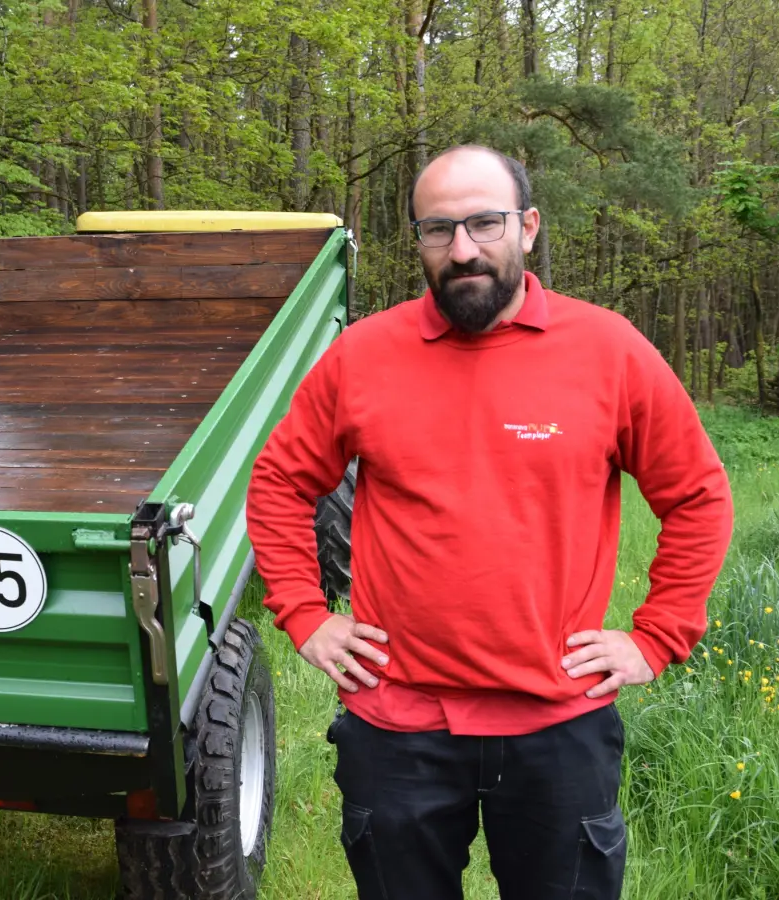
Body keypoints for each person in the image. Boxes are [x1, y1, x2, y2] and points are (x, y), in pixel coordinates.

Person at [245, 145, 734, 900]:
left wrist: (657, 637)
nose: (463, 249)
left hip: (558, 727)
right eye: (438, 229)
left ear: (528, 227)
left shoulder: (608, 351)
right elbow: (280, 480)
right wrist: (306, 615)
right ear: (418, 240)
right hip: (397, 726)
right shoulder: (364, 355)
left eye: (484, 223)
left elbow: (697, 494)